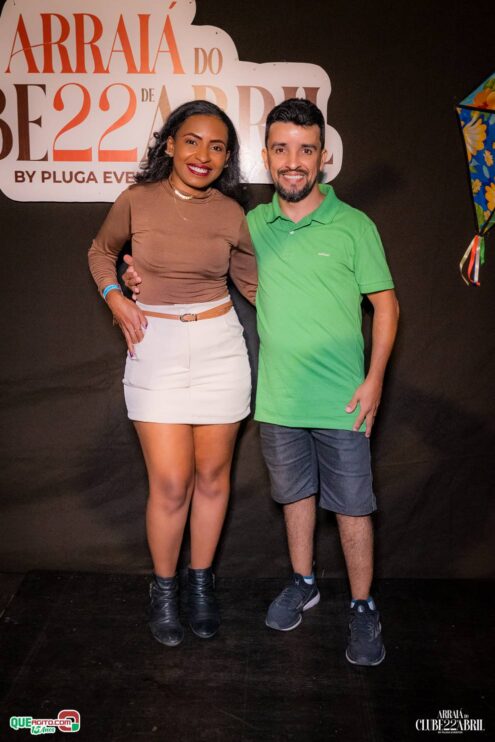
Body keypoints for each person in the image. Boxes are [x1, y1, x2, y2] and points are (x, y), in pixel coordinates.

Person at [123, 98, 399, 666]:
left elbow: (387, 306)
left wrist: (374, 381)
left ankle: (363, 606)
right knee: (294, 497)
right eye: (281, 149)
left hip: (344, 399)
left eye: (305, 150)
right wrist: (134, 274)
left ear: (323, 158)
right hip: (277, 398)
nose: (293, 161)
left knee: (352, 508)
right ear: (267, 157)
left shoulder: (354, 226)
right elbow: (192, 258)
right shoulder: (248, 224)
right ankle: (303, 582)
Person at [88, 100, 257, 648]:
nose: (202, 154)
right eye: (192, 140)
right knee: (169, 482)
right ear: (170, 144)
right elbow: (101, 252)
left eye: (216, 146)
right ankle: (164, 589)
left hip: (219, 348)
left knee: (212, 478)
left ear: (227, 158)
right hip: (154, 345)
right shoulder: (136, 201)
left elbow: (255, 286)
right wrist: (117, 296)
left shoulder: (232, 215)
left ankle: (200, 584)